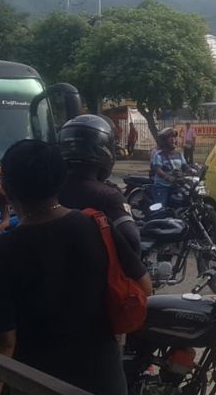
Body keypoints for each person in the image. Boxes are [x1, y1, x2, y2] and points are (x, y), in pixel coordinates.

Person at [0, 139, 133, 395]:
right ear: (61, 180)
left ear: (7, 187)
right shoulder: (98, 227)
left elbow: (1, 342)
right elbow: (143, 285)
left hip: (33, 383)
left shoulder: (1, 250)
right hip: (102, 380)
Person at [55, 114, 153, 296]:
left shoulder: (48, 191)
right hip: (96, 294)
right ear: (105, 151)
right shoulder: (108, 195)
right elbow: (131, 239)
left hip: (53, 289)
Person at [149, 128, 187, 206]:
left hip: (176, 185)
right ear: (164, 141)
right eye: (171, 138)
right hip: (162, 186)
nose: (173, 140)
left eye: (174, 138)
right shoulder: (159, 155)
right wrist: (167, 177)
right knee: (161, 208)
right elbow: (158, 170)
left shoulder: (179, 154)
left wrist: (193, 170)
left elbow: (185, 166)